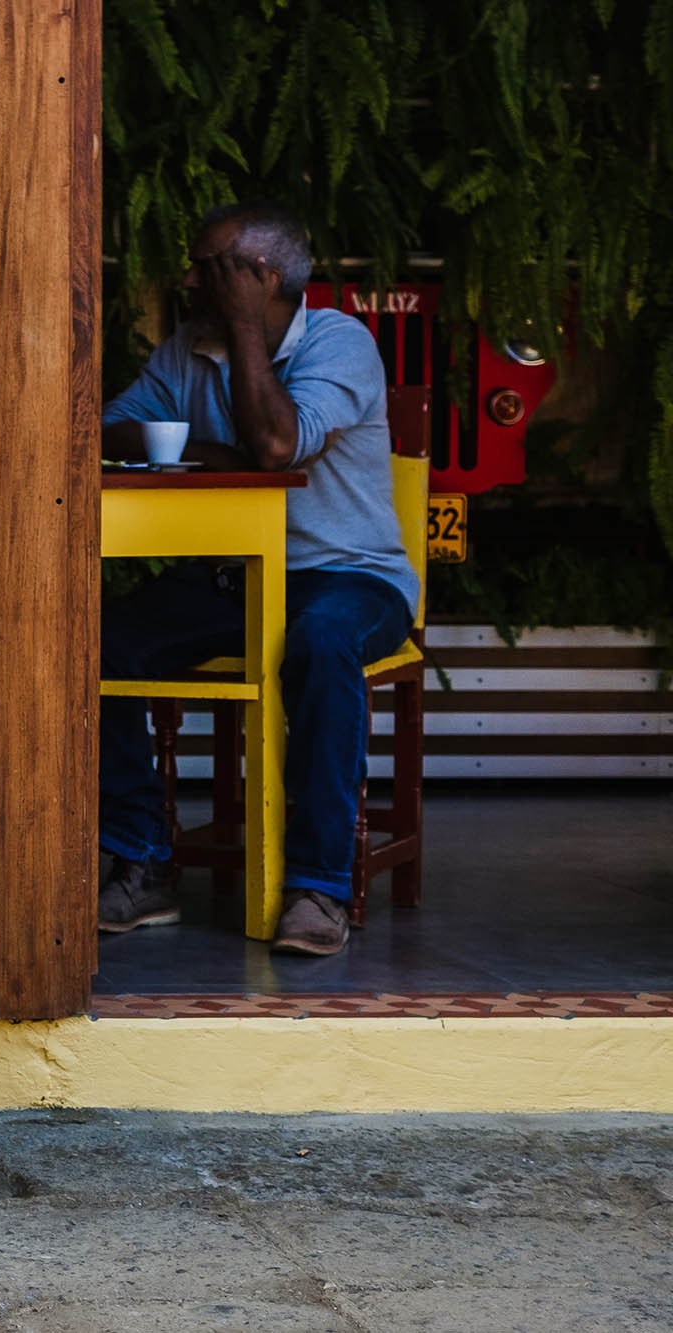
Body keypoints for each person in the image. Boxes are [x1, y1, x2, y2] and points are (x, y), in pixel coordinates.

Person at [97, 203, 418, 956]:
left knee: (320, 641)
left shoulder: (340, 344)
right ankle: (141, 861)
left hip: (350, 577)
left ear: (260, 278)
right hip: (234, 577)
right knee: (100, 639)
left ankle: (317, 887)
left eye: (207, 267)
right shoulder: (188, 347)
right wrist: (212, 453)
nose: (186, 278)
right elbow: (108, 427)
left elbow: (276, 445)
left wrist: (246, 332)